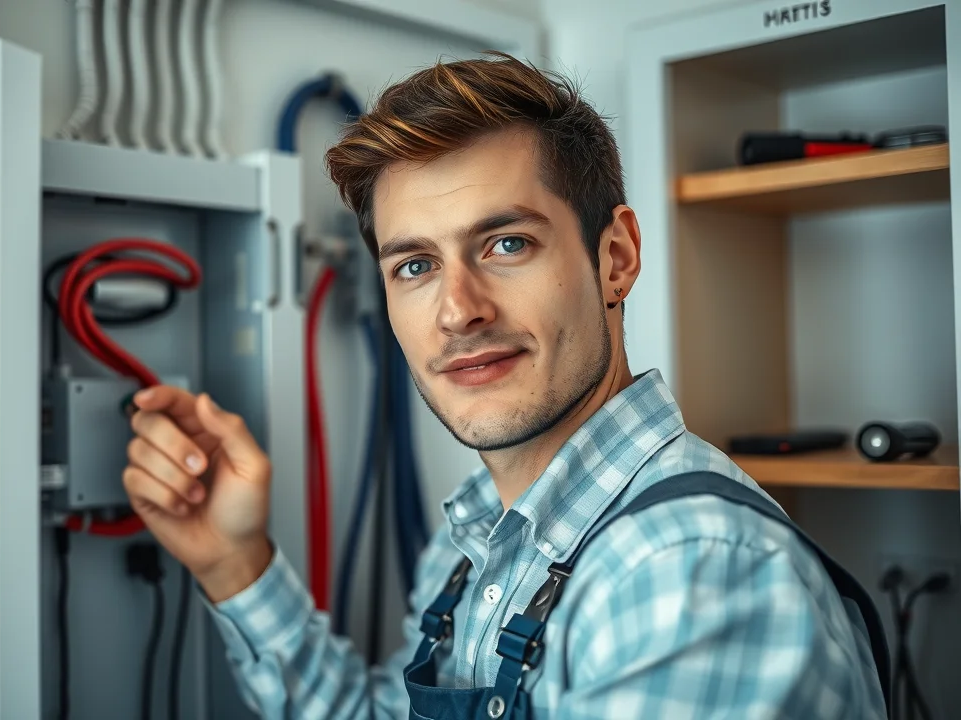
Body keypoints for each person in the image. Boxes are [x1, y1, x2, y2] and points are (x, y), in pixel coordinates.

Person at [121, 53, 887, 719]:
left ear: (614, 257)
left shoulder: (687, 570)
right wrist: (234, 563)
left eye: (506, 243)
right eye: (414, 266)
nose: (458, 310)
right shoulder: (482, 536)